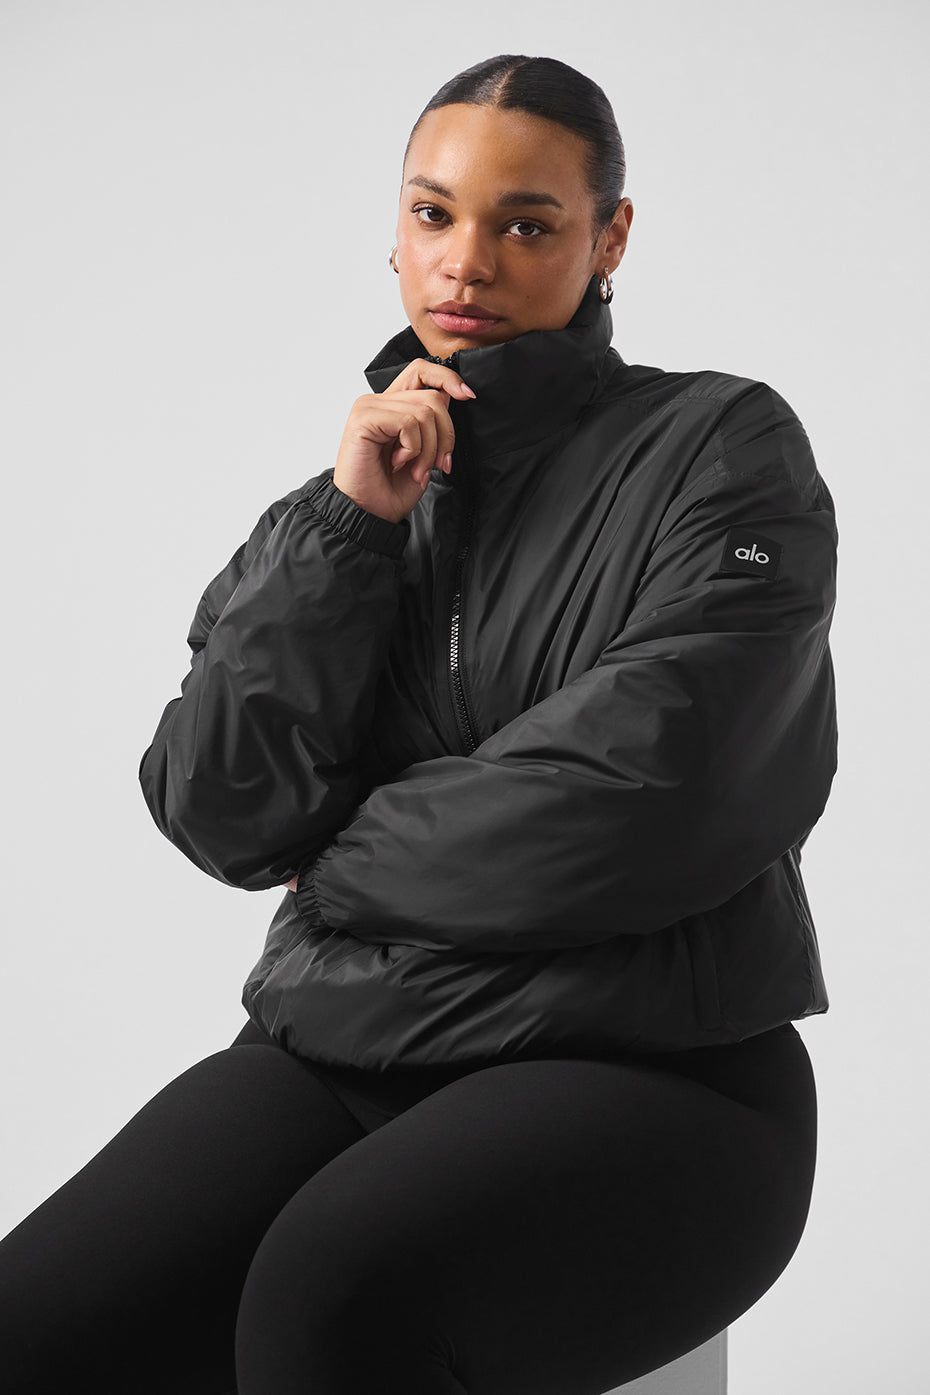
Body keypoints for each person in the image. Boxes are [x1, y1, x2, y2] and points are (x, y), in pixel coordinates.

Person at [0, 53, 838, 1395]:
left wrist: (332, 873)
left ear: (609, 237)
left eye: (527, 223)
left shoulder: (718, 447)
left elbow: (651, 791)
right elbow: (221, 808)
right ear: (394, 228)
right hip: (348, 1054)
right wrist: (350, 530)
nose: (467, 262)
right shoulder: (333, 509)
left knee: (332, 1298)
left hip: (657, 1066)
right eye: (434, 214)